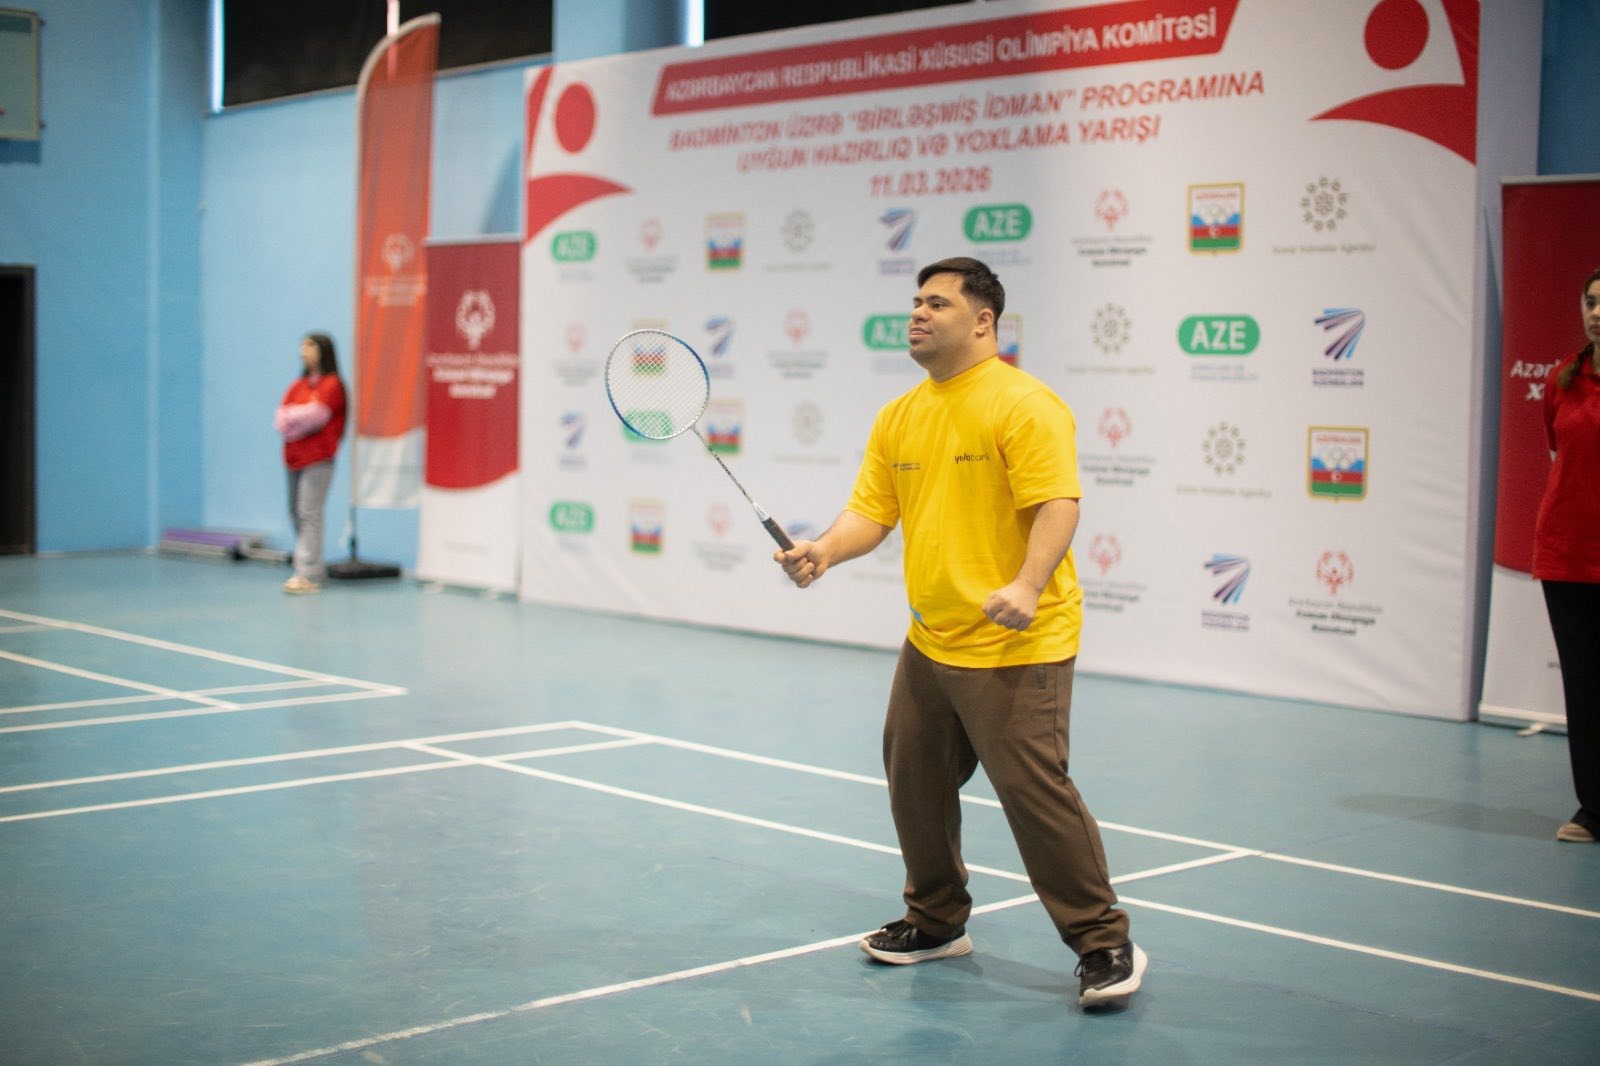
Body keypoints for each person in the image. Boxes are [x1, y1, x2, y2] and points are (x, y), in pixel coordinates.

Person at [775, 257, 1143, 1009]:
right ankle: (936, 919)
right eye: (916, 301)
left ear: (983, 321)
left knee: (1033, 794)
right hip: (931, 640)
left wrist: (1027, 584)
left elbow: (1059, 504)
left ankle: (1103, 942)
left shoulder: (1024, 404)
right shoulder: (900, 415)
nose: (917, 313)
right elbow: (872, 512)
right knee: (913, 779)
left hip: (1016, 642)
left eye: (937, 303)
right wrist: (825, 550)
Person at [1532, 266, 1600, 844]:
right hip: (1566, 557)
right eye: (1592, 302)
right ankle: (1593, 809)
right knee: (1583, 685)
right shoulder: (1561, 378)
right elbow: (1558, 450)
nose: (1598, 313)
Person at [274, 332, 346, 594]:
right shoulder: (298, 385)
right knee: (295, 511)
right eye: (302, 346)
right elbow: (281, 418)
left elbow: (316, 416)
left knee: (309, 512)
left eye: (310, 346)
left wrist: (296, 416)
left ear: (323, 351)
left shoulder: (332, 385)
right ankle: (311, 563)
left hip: (318, 459)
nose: (304, 351)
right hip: (294, 458)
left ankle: (309, 573)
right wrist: (297, 417)